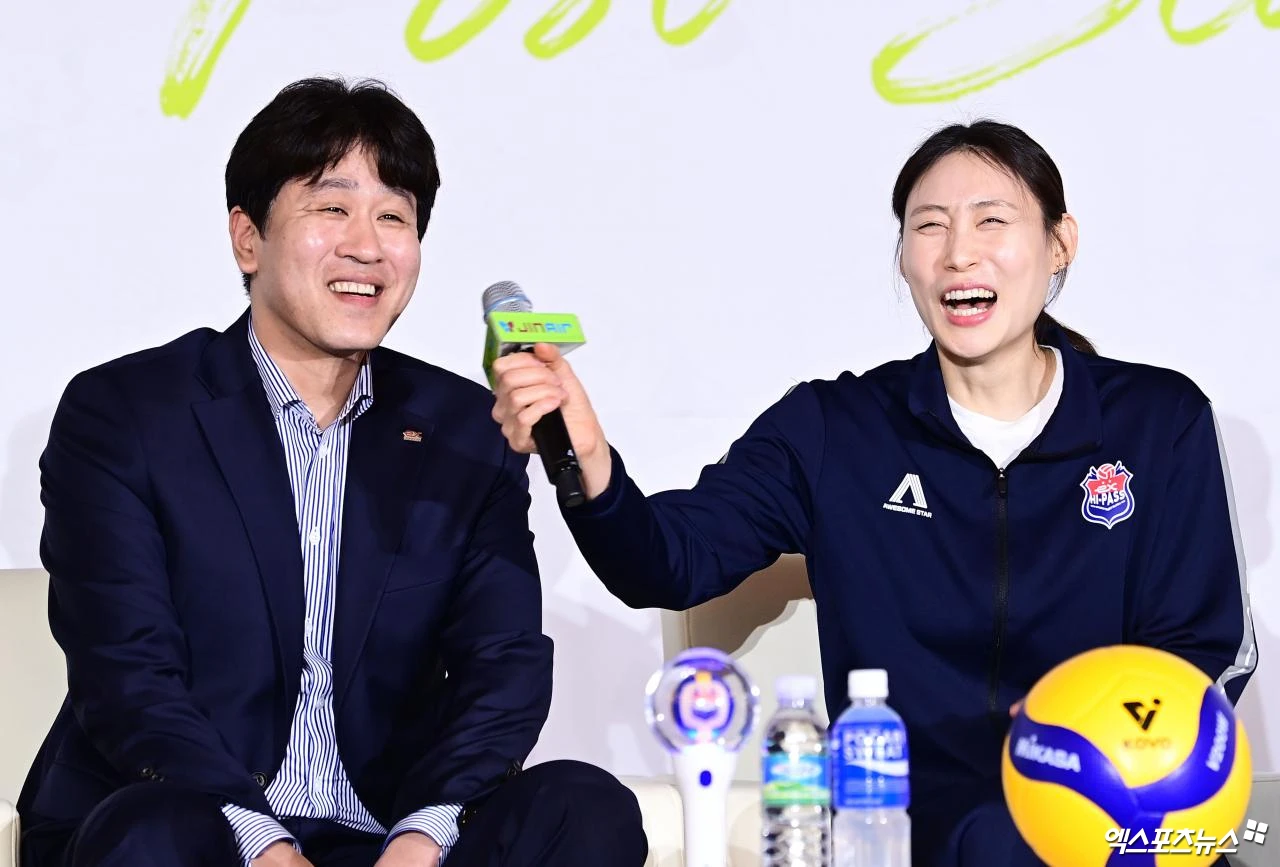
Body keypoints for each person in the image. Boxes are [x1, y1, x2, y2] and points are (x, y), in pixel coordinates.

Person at [489, 120, 1257, 865]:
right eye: (930, 226)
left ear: (1060, 243)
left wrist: (1097, 755)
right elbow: (665, 560)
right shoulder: (836, 428)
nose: (959, 252)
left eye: (992, 220)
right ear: (904, 257)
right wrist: (588, 456)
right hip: (899, 829)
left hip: (1115, 816)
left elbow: (1203, 653)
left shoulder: (1158, 422)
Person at [17, 77, 647, 867]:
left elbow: (503, 665)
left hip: (382, 835)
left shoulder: (464, 431)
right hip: (199, 826)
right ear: (248, 239)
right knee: (155, 837)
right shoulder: (127, 413)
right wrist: (267, 846)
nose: (367, 245)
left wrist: (422, 835)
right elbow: (129, 675)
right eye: (331, 208)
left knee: (587, 809)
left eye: (394, 217)